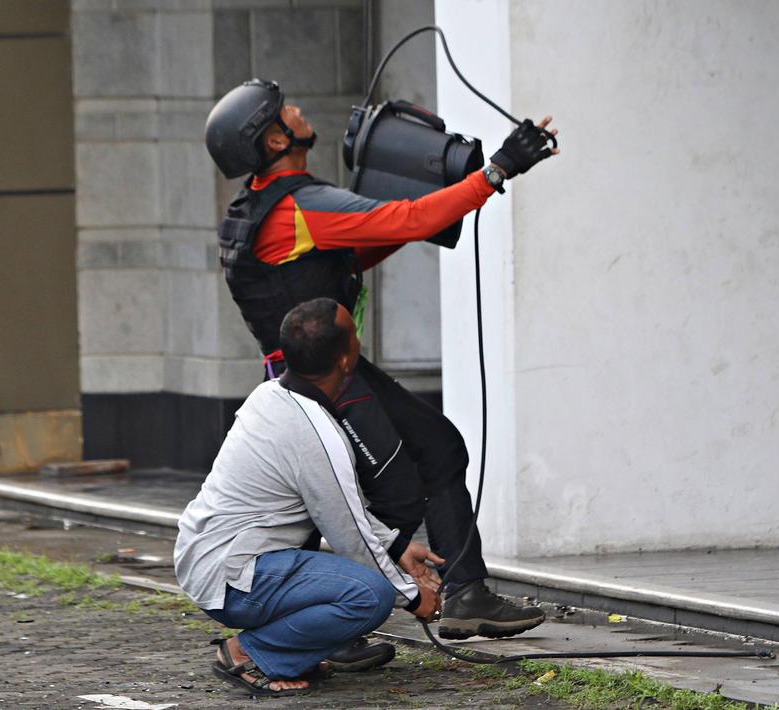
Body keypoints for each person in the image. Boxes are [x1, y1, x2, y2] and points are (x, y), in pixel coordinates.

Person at [204, 78, 558, 642]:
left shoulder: (264, 205)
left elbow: (362, 245)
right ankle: (326, 626)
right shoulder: (301, 205)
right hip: (322, 383)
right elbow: (404, 220)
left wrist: (432, 210)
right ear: (274, 140)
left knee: (436, 449)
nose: (296, 108)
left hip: (317, 374)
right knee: (368, 497)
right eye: (284, 110)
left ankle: (464, 594)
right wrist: (496, 172)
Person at [173, 298, 443, 696]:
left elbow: (339, 507)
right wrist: (411, 595)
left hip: (209, 562)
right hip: (235, 576)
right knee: (370, 595)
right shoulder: (316, 433)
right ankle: (249, 653)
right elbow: (348, 534)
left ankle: (291, 647)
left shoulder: (270, 395)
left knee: (358, 581)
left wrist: (396, 546)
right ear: (347, 359)